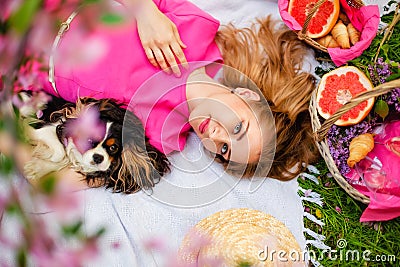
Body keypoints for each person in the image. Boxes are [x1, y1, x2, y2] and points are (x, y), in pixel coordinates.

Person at [37, 0, 318, 183]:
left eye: (224, 150)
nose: (215, 137)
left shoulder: (164, 137)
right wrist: (146, 13)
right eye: (236, 128)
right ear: (246, 95)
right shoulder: (198, 31)